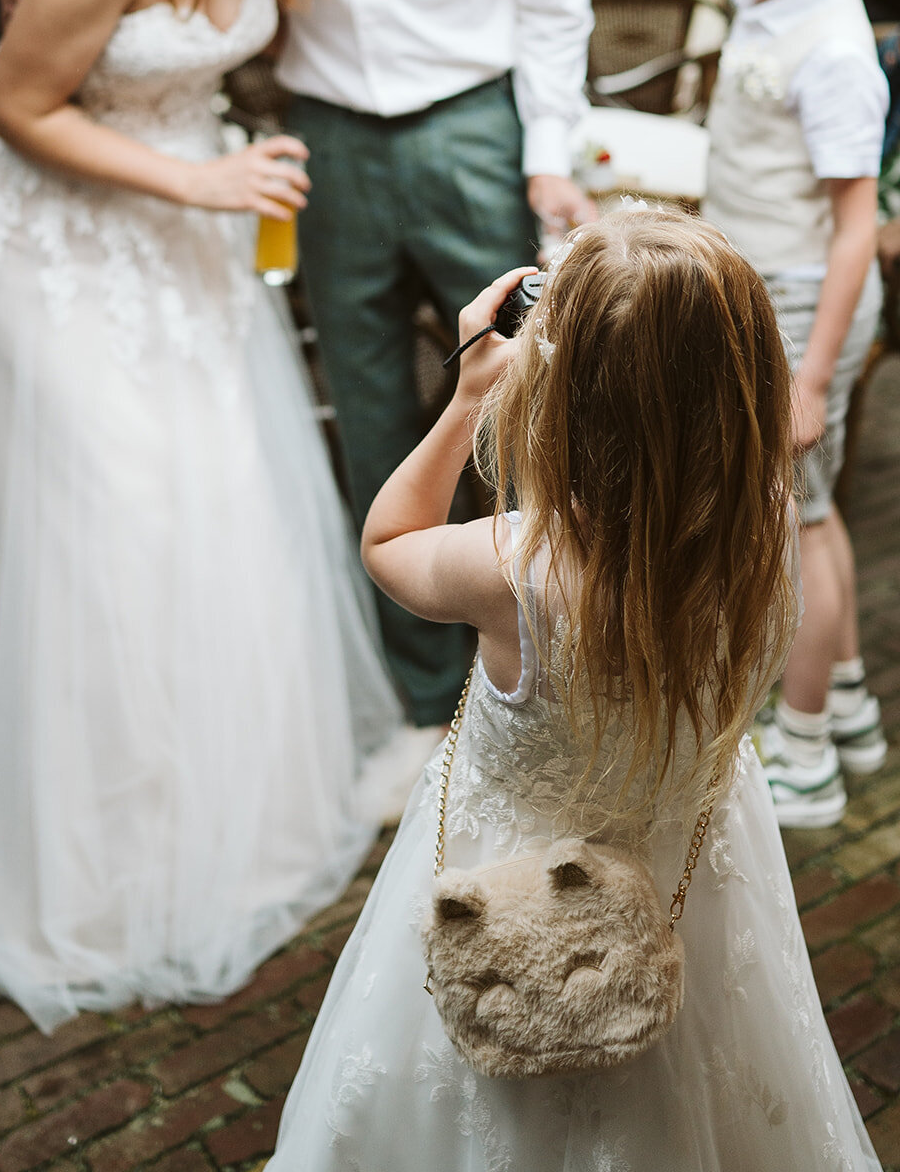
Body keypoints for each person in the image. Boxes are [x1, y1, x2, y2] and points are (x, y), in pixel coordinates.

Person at [0, 0, 404, 1034]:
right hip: (50, 254)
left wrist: (219, 167)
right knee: (95, 531)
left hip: (190, 231)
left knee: (208, 521)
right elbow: (14, 108)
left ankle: (199, 815)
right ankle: (73, 856)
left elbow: (216, 46)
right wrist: (197, 184)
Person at [265, 208, 882, 1171]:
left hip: (506, 865)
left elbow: (386, 543)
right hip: (684, 864)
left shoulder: (515, 565)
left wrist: (469, 392)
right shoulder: (761, 529)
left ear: (558, 389)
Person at [275, 0, 596, 736]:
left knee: (517, 404)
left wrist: (548, 157)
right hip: (327, 141)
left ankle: (533, 667)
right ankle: (418, 701)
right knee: (369, 413)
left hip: (469, 129)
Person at [702, 0, 888, 827]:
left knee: (789, 525)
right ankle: (850, 705)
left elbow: (854, 229)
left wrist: (810, 377)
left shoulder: (832, 51)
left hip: (800, 307)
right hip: (759, 286)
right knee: (810, 513)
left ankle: (804, 749)